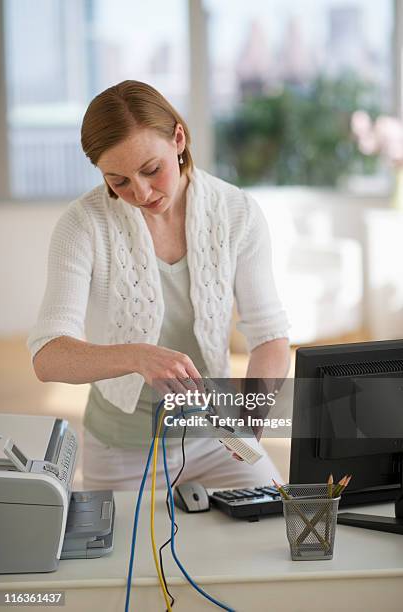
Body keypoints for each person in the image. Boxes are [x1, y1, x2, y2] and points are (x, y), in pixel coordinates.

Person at [28, 80, 290, 491]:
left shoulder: (236, 211)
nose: (142, 192)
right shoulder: (82, 225)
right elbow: (48, 357)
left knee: (274, 524)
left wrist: (247, 423)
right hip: (121, 449)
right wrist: (138, 357)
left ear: (178, 139)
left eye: (152, 170)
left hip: (217, 438)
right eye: (119, 181)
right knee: (125, 557)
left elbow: (269, 335)